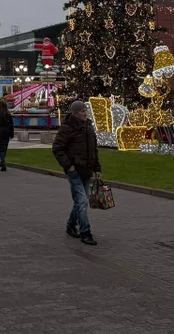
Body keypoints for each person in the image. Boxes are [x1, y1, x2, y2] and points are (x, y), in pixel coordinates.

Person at [52, 100, 100, 246]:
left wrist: (97, 168)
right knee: (82, 201)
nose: (85, 113)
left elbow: (93, 149)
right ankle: (85, 232)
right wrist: (69, 166)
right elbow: (57, 148)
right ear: (75, 113)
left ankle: (71, 225)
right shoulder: (67, 128)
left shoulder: (88, 126)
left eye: (86, 110)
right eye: (82, 111)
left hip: (87, 169)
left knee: (81, 201)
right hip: (75, 170)